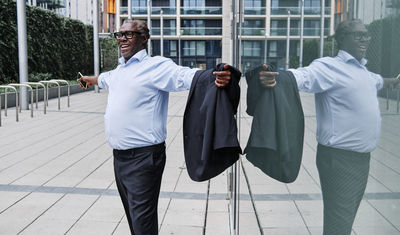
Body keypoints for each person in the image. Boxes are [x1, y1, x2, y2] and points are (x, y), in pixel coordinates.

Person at [79, 19, 231, 235]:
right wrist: (89, 80)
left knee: (142, 223)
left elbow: (184, 76)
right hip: (120, 158)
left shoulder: (156, 66)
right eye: (119, 34)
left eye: (128, 34)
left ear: (143, 38)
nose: (121, 39)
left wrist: (216, 76)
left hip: (143, 159)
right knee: (133, 217)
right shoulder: (119, 70)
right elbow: (104, 79)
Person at [259, 19, 399, 235]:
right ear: (342, 39)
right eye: (358, 35)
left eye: (366, 34)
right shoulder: (328, 67)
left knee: (346, 218)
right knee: (339, 225)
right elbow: (304, 76)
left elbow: (378, 81)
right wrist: (277, 77)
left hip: (362, 160)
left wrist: (392, 81)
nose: (365, 38)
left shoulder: (362, 71)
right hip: (339, 160)